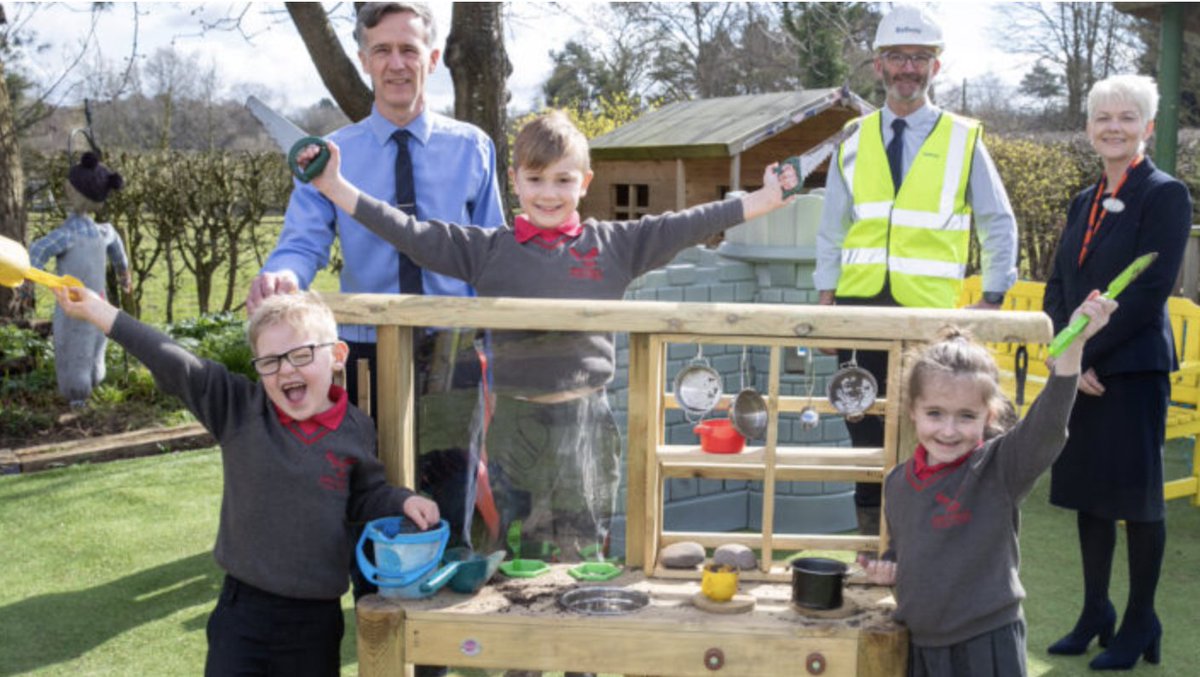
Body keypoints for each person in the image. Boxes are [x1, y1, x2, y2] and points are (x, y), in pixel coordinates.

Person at [294, 109, 798, 566]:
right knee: (515, 553)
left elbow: (688, 223)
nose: (549, 193)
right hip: (516, 423)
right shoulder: (489, 250)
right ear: (515, 181)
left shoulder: (616, 245)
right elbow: (410, 232)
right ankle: (523, 666)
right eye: (535, 179)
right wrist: (336, 186)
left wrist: (764, 198)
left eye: (563, 179)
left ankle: (582, 662)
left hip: (588, 421)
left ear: (585, 183)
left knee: (585, 553)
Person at [51, 285, 439, 676]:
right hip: (243, 615)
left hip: (315, 621)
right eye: (269, 362)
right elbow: (173, 360)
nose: (286, 370)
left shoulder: (356, 429)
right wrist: (102, 313)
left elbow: (363, 496)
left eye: (301, 354)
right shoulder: (238, 409)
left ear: (337, 356)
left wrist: (403, 500)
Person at [812, 3, 1019, 542]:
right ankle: (871, 549)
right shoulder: (852, 140)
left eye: (920, 58)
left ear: (936, 67)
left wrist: (994, 297)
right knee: (863, 434)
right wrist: (825, 302)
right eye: (897, 57)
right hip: (859, 311)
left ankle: (926, 551)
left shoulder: (964, 138)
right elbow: (832, 229)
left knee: (934, 437)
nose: (908, 68)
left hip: (932, 316)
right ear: (878, 65)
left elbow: (998, 222)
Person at [246, 1, 504, 421]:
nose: (396, 64)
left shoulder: (472, 148)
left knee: (449, 481)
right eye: (382, 51)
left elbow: (494, 255)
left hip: (452, 346)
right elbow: (302, 242)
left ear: (433, 59)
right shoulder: (327, 156)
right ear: (364, 61)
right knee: (367, 482)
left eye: (409, 49)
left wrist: (501, 347)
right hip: (363, 346)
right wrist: (283, 276)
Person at [861, 293, 1117, 677]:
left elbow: (1046, 428)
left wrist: (1074, 346)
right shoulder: (898, 483)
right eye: (935, 413)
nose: (949, 430)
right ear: (912, 410)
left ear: (989, 415)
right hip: (921, 645)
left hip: (987, 644)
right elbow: (907, 546)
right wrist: (891, 566)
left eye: (966, 416)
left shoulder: (998, 468)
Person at [1042, 74, 1192, 671]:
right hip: (1082, 370)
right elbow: (1060, 286)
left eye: (1127, 117)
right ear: (1088, 128)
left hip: (1131, 371)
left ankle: (1140, 620)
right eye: (1103, 116)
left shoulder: (1166, 194)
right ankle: (1094, 612)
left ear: (1148, 128)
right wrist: (1065, 352)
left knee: (1138, 502)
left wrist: (1089, 355)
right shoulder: (1083, 201)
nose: (1114, 126)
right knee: (1090, 499)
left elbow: (1152, 289)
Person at [26, 151, 131, 407]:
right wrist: (124, 276)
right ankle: (91, 387)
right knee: (97, 346)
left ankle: (77, 398)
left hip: (72, 306)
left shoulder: (66, 236)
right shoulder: (104, 233)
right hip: (100, 302)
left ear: (72, 192)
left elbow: (37, 251)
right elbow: (119, 255)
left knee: (74, 349)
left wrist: (28, 280)